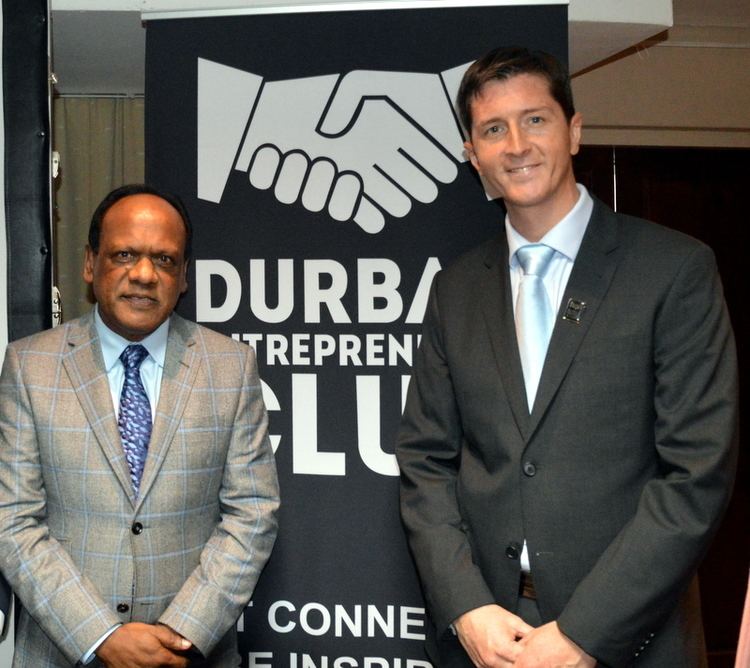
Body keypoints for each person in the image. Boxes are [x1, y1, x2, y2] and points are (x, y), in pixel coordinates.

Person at [396, 47, 738, 668]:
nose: (516, 145)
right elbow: (426, 462)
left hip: (629, 639)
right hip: (489, 638)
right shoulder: (456, 288)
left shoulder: (674, 270)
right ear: (473, 156)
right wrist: (467, 608)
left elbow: (696, 476)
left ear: (574, 131)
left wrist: (583, 632)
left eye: (536, 120)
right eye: (492, 130)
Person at [0, 184, 280, 667]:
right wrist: (101, 636)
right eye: (124, 254)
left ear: (184, 276)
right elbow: (14, 520)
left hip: (188, 655)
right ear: (91, 265)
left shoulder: (230, 368)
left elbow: (252, 513)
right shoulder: (30, 366)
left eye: (165, 260)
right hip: (61, 652)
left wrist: (179, 633)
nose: (145, 275)